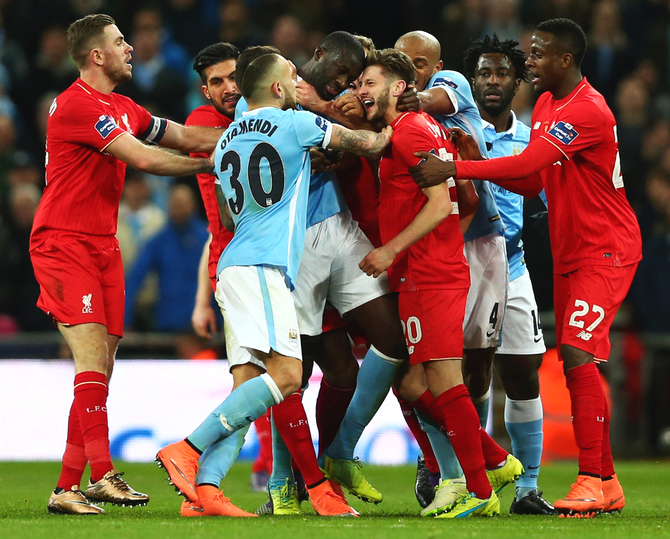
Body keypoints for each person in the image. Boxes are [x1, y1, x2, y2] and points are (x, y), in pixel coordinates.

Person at [409, 18, 642, 518]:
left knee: (578, 356)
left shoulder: (585, 108)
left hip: (605, 248)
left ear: (565, 59)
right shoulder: (546, 103)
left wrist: (457, 167)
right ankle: (609, 482)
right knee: (573, 358)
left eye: (537, 54)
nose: (529, 61)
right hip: (570, 250)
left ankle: (591, 479)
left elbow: (528, 161)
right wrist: (473, 159)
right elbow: (535, 184)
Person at [156, 52, 391, 518]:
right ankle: (188, 448)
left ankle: (205, 493)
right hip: (263, 269)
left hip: (234, 266)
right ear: (280, 89)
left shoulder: (223, 144)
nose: (299, 82)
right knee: (287, 377)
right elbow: (365, 144)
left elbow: (226, 215)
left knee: (248, 381)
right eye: (293, 77)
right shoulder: (296, 126)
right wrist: (388, 131)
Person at [30, 13, 222, 515]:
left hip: (103, 244)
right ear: (97, 55)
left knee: (101, 369)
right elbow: (145, 158)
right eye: (120, 43)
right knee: (92, 360)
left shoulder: (122, 106)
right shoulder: (76, 105)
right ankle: (103, 475)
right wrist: (212, 166)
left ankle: (67, 488)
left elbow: (179, 136)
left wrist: (241, 139)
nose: (130, 49)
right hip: (63, 242)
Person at [357, 48, 516, 518]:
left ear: (398, 87)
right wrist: (439, 247)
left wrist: (392, 250)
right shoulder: (420, 131)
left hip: (430, 276)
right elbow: (463, 202)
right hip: (425, 271)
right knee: (411, 384)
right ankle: (493, 460)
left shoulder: (409, 133)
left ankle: (478, 489)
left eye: (369, 82)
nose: (361, 90)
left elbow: (438, 204)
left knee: (446, 381)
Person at [463, 33, 555, 515]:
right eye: (483, 73)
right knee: (469, 378)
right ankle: (466, 479)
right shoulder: (455, 129)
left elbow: (548, 197)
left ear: (518, 81)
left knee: (523, 375)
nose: (492, 82)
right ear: (471, 80)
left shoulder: (534, 138)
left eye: (501, 73)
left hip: (514, 265)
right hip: (464, 266)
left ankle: (528, 488)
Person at [184, 41, 276, 517]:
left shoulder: (267, 111)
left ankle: (209, 487)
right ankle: (201, 474)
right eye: (216, 81)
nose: (227, 88)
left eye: (233, 77)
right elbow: (221, 218)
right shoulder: (204, 124)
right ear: (205, 90)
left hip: (269, 261)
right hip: (242, 264)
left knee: (263, 379)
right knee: (264, 378)